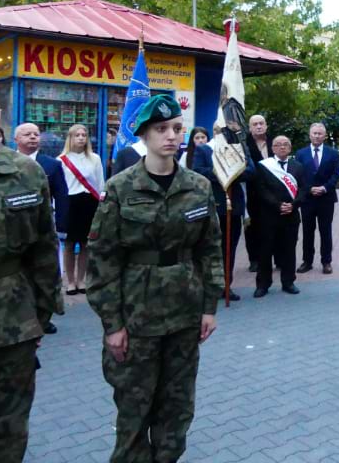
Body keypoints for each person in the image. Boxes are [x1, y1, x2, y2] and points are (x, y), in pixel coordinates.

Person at [87, 94, 224, 463]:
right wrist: (112, 323)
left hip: (184, 314)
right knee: (134, 413)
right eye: (161, 129)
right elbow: (102, 260)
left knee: (176, 411)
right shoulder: (120, 188)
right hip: (137, 316)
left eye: (176, 128)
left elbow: (210, 249)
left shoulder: (198, 186)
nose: (171, 136)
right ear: (144, 135)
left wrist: (209, 306)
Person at [0, 68, 63, 463]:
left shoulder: (26, 173)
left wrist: (38, 319)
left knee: (4, 441)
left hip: (8, 334)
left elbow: (43, 251)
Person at [14, 122, 69, 335]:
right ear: (17, 139)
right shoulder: (6, 163)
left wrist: (63, 227)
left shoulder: (51, 165)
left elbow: (62, 196)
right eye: (27, 134)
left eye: (36, 134)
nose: (33, 137)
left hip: (44, 229)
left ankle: (44, 318)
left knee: (46, 274)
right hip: (16, 230)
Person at [191, 129, 254, 301]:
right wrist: (220, 172)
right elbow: (197, 171)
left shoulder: (240, 149)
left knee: (230, 248)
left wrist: (233, 172)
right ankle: (209, 285)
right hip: (212, 206)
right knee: (209, 248)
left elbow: (251, 171)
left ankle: (226, 285)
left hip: (234, 206)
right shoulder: (204, 150)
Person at [252, 135, 307, 297]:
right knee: (265, 250)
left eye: (285, 144)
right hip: (269, 215)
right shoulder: (264, 166)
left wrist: (293, 204)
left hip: (291, 215)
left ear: (290, 148)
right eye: (278, 145)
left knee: (289, 249)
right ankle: (263, 284)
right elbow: (261, 190)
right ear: (273, 148)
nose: (282, 147)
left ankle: (288, 282)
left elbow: (304, 189)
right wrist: (278, 205)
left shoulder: (298, 166)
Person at [58, 123, 104, 296]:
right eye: (77, 135)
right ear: (70, 138)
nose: (81, 138)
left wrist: (101, 204)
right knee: (69, 244)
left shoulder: (95, 158)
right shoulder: (61, 160)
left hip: (90, 202)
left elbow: (100, 183)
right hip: (70, 203)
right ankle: (70, 282)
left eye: (84, 135)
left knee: (86, 243)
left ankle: (82, 280)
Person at [295, 123, 339, 275]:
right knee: (308, 231)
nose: (317, 136)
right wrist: (309, 189)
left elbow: (336, 174)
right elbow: (297, 175)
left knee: (325, 230)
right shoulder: (300, 154)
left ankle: (326, 262)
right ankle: (307, 261)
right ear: (309, 135)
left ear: (325, 135)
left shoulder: (333, 153)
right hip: (307, 199)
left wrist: (325, 188)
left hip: (326, 198)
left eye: (320, 133)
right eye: (314, 133)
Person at [245, 114, 273, 274]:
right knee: (252, 228)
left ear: (266, 125)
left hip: (273, 190)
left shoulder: (274, 142)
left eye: (261, 123)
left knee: (274, 225)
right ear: (250, 128)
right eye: (255, 124)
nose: (258, 126)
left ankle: (278, 258)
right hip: (252, 191)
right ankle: (254, 260)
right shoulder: (244, 145)